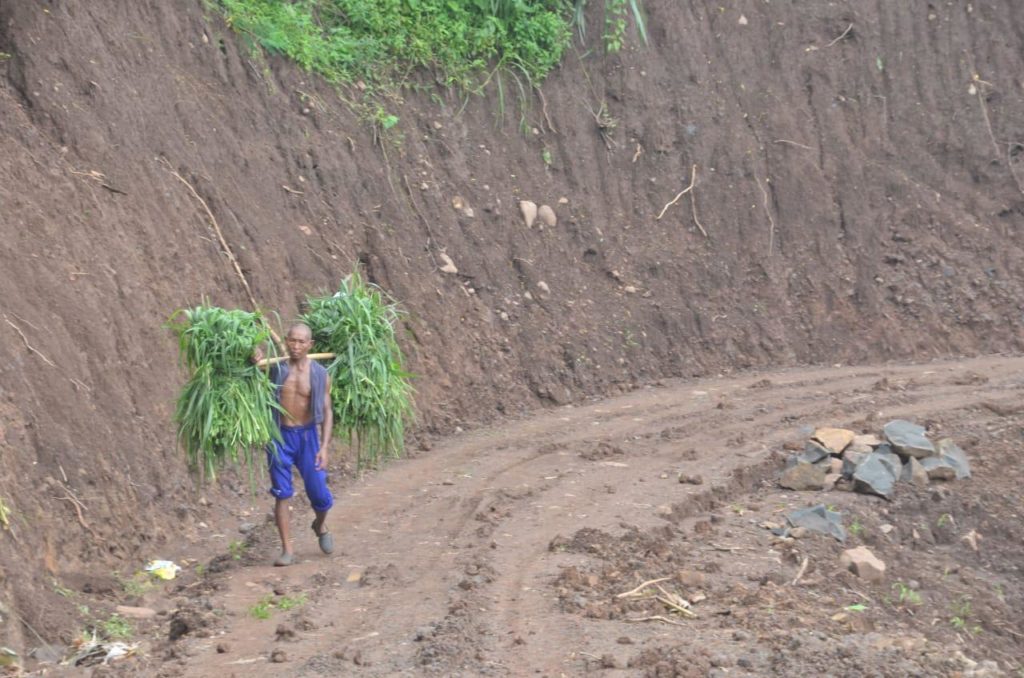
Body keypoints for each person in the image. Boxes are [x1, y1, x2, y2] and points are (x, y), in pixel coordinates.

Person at [253, 323, 334, 566]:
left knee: (320, 494)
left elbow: (328, 411)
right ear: (286, 341)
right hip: (279, 436)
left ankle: (319, 524)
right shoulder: (275, 369)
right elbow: (251, 376)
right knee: (282, 493)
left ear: (310, 345)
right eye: (292, 340)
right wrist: (253, 356)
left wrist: (325, 446)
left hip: (308, 437)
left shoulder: (320, 374)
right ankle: (287, 550)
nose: (296, 346)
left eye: (301, 342)